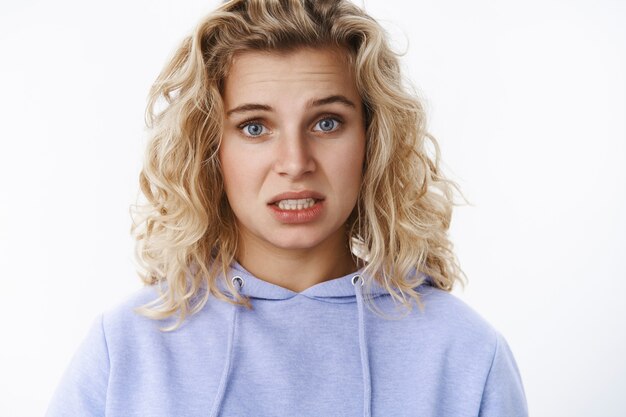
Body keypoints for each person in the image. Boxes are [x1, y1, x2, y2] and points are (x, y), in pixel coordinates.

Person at [46, 0, 528, 416]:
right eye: (255, 127)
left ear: (372, 139)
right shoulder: (127, 349)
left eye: (327, 122)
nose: (295, 163)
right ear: (211, 149)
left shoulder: (465, 354)